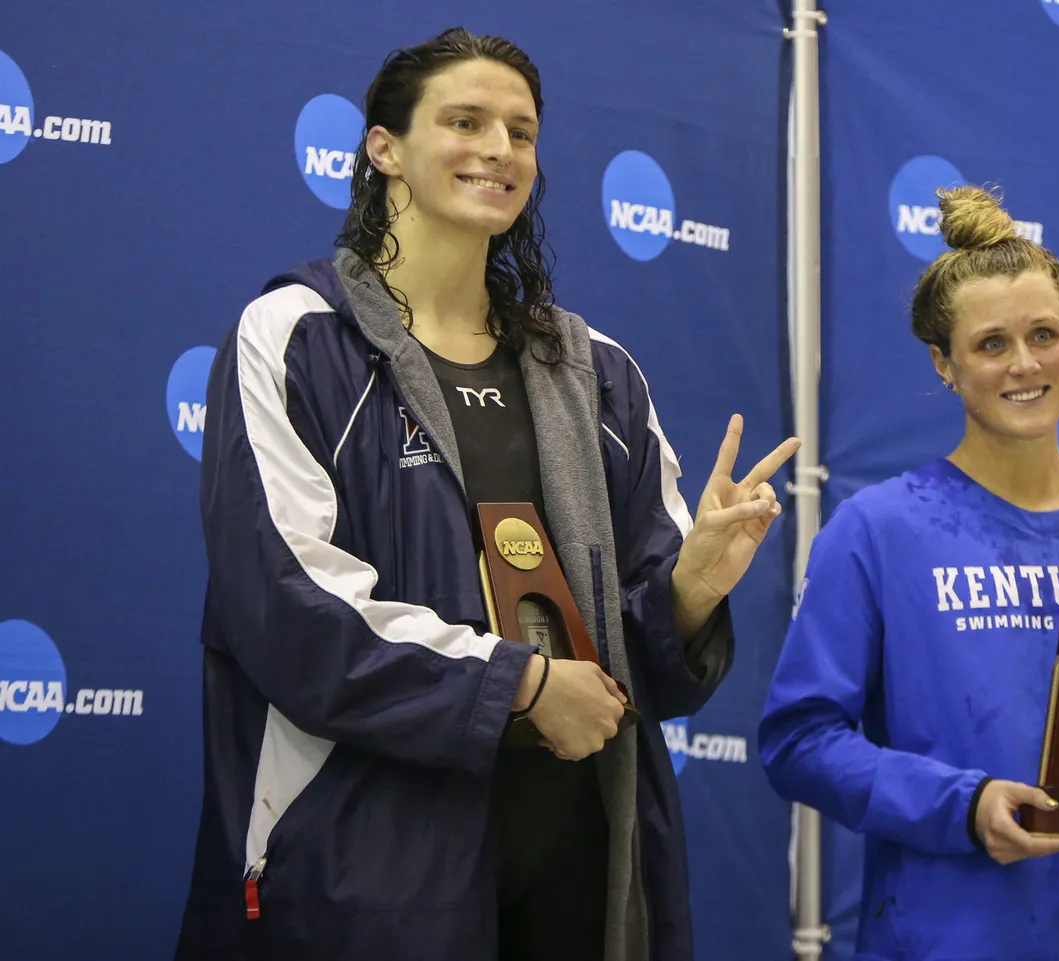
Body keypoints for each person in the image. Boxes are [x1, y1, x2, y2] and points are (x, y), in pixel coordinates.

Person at [173, 27, 798, 961]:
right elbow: (292, 606)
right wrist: (520, 685)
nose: (499, 150)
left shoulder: (598, 374)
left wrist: (692, 590)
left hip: (582, 864)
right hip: (369, 863)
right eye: (465, 122)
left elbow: (642, 673)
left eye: (521, 131)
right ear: (385, 148)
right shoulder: (297, 337)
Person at [757, 186, 1059, 960]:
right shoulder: (877, 530)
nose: (1025, 363)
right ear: (944, 364)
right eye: (991, 344)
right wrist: (963, 806)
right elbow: (799, 739)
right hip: (943, 935)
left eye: (1044, 334)